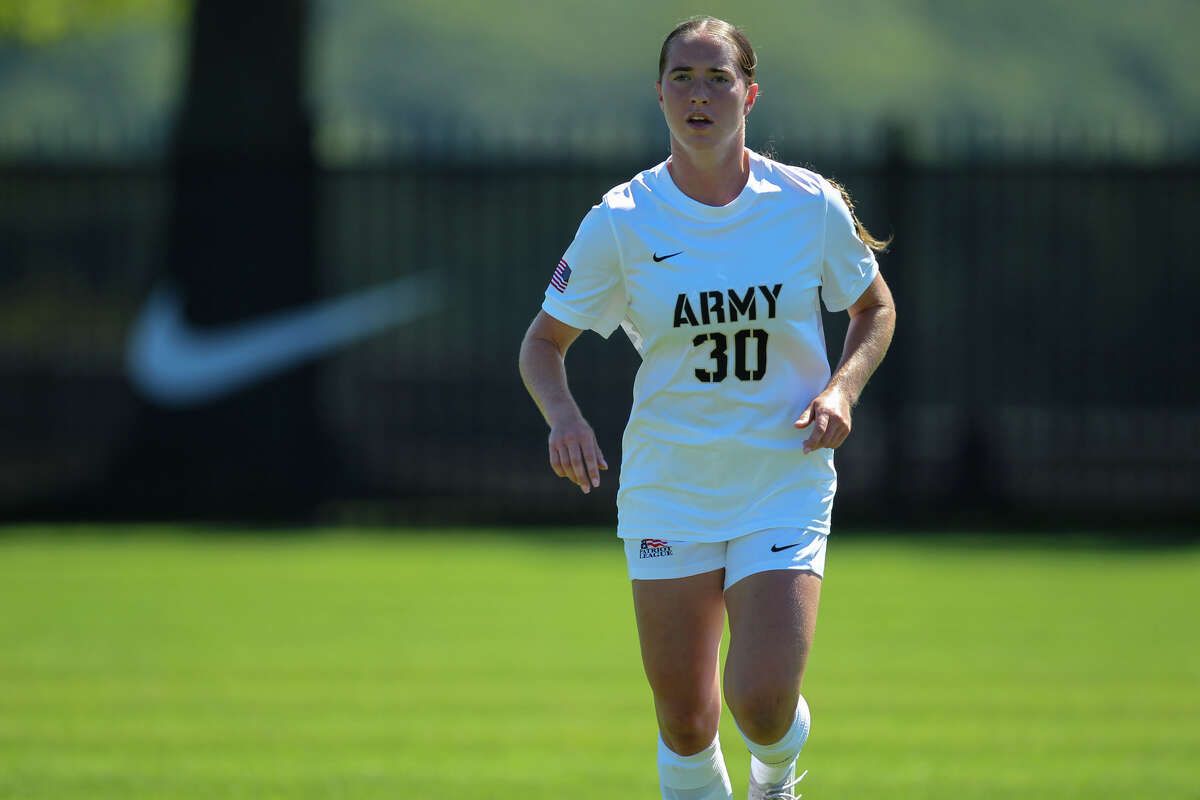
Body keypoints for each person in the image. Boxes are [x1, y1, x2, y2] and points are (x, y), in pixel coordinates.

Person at [518, 15, 896, 800]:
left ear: (749, 95)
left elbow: (874, 308)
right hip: (671, 485)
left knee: (761, 702)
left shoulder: (807, 204)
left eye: (718, 78)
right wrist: (565, 417)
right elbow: (542, 343)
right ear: (658, 94)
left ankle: (775, 778)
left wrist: (841, 388)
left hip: (781, 475)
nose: (699, 95)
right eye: (682, 78)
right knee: (688, 722)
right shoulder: (622, 220)